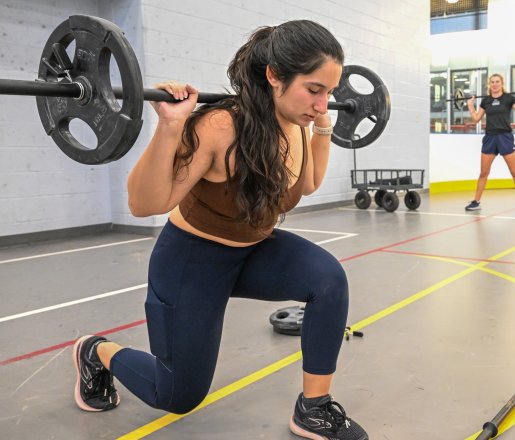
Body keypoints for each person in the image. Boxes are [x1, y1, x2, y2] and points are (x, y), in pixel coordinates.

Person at [71, 20, 368, 440]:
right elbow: (144, 203)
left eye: (331, 93)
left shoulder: (299, 121)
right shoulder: (220, 128)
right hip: (192, 261)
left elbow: (309, 182)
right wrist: (172, 127)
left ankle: (313, 409)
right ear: (274, 76)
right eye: (315, 90)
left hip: (254, 250)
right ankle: (95, 351)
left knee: (328, 279)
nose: (324, 103)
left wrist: (322, 125)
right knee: (177, 396)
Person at [464, 74, 515, 213]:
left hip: (505, 137)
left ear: (501, 83)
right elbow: (476, 118)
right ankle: (476, 201)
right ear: (489, 85)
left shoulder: (509, 99)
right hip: (490, 138)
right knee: (483, 173)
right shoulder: (486, 101)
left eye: (497, 82)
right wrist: (470, 106)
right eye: (492, 82)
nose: (495, 84)